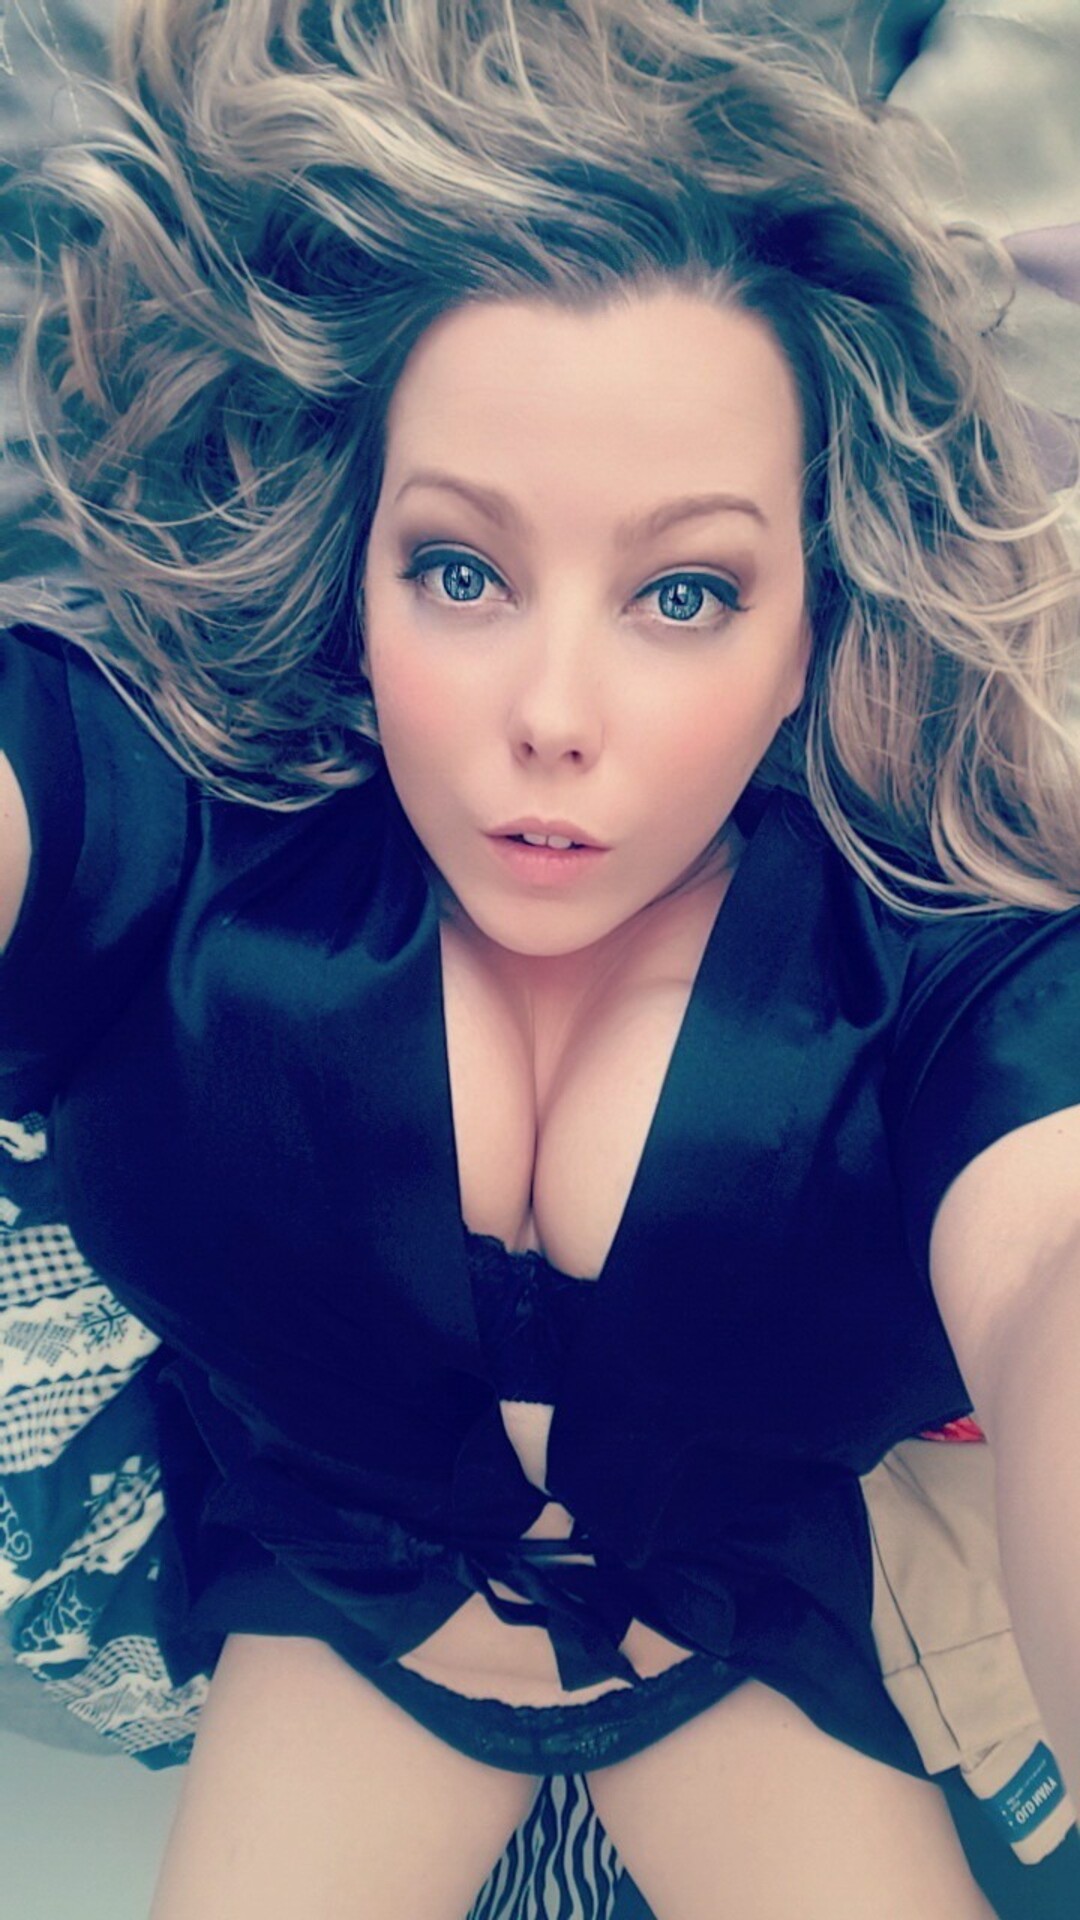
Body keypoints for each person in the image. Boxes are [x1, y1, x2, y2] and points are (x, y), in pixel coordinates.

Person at [0, 0, 1079, 1914]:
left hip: (732, 1635)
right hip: (340, 1624)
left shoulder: (939, 967)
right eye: (462, 571)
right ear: (355, 572)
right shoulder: (165, 823)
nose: (555, 718)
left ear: (813, 621)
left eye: (686, 591)